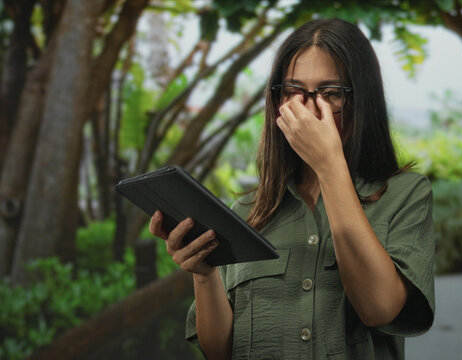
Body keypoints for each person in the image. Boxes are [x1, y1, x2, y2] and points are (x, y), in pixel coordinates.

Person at [149, 18, 434, 360]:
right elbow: (220, 351)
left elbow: (380, 309)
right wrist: (205, 273)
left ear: (361, 101)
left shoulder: (405, 194)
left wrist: (329, 166)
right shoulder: (247, 211)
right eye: (294, 92)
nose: (309, 109)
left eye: (331, 94)